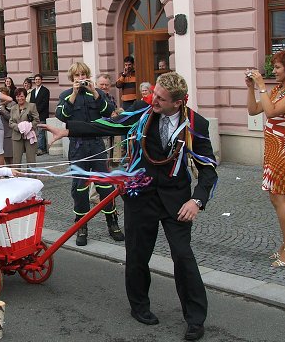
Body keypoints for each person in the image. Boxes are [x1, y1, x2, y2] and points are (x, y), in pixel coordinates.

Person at [44, 71, 217, 341]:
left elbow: (209, 171)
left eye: (160, 98)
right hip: (140, 195)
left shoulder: (196, 124)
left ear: (178, 102)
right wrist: (67, 129)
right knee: (137, 255)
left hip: (177, 201)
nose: (153, 100)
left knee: (183, 257)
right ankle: (140, 306)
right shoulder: (142, 113)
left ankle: (195, 319)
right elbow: (108, 126)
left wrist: (197, 201)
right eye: (154, 94)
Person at [246, 49, 285, 268]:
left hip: (284, 149)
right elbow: (254, 110)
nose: (274, 71)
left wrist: (262, 86)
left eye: (278, 67)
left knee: (280, 198)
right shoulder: (278, 90)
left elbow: (270, 113)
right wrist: (251, 89)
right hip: (272, 148)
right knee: (274, 197)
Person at [55, 62, 124, 246]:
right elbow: (61, 116)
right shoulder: (65, 96)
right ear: (72, 78)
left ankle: (112, 223)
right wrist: (74, 94)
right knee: (80, 188)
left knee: (105, 186)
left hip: (96, 145)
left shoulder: (98, 94)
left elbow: (110, 112)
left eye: (83, 74)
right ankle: (81, 226)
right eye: (77, 75)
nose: (80, 78)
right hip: (78, 147)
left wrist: (95, 93)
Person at [9, 87, 40, 169]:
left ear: (25, 96)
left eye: (21, 96)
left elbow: (36, 120)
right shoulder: (13, 108)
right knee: (16, 160)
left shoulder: (32, 106)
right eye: (18, 96)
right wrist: (18, 127)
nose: (20, 98)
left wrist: (28, 126)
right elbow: (11, 122)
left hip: (29, 136)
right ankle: (16, 179)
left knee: (31, 160)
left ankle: (32, 179)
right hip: (17, 136)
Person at [29, 74, 50, 156]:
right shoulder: (33, 91)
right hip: (34, 115)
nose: (37, 81)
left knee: (41, 132)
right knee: (35, 132)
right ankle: (37, 148)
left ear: (41, 80)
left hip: (42, 114)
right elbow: (31, 103)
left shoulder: (45, 90)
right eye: (36, 79)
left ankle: (42, 149)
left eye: (39, 79)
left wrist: (36, 112)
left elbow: (45, 103)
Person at [0, 86, 16, 164]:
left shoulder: (12, 104)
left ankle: (14, 172)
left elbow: (11, 117)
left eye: (3, 95)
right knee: (4, 155)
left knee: (11, 155)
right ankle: (8, 172)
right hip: (0, 132)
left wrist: (3, 110)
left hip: (9, 133)